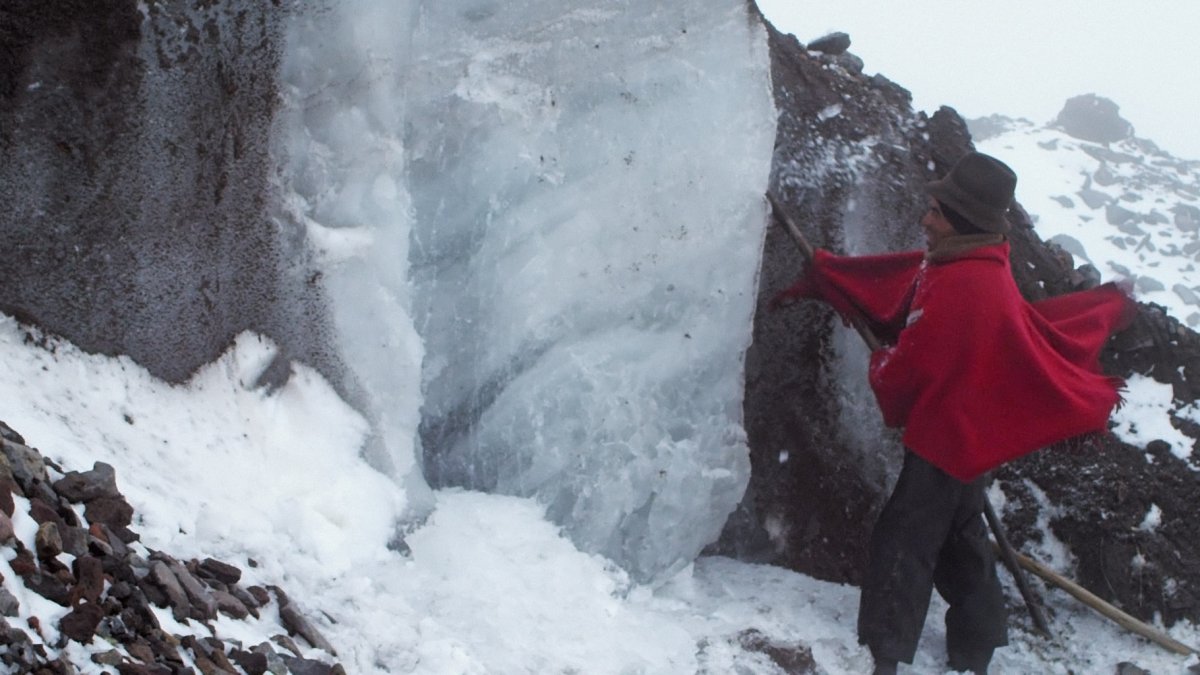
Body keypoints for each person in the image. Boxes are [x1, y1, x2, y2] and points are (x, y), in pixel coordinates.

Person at [773, 152, 1135, 674]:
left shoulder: (967, 284)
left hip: (949, 437)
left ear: (961, 220)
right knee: (961, 539)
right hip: (966, 437)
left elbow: (917, 362)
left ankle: (885, 652)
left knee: (906, 540)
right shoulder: (974, 263)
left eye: (936, 211)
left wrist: (882, 361)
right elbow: (925, 321)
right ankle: (976, 645)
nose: (926, 219)